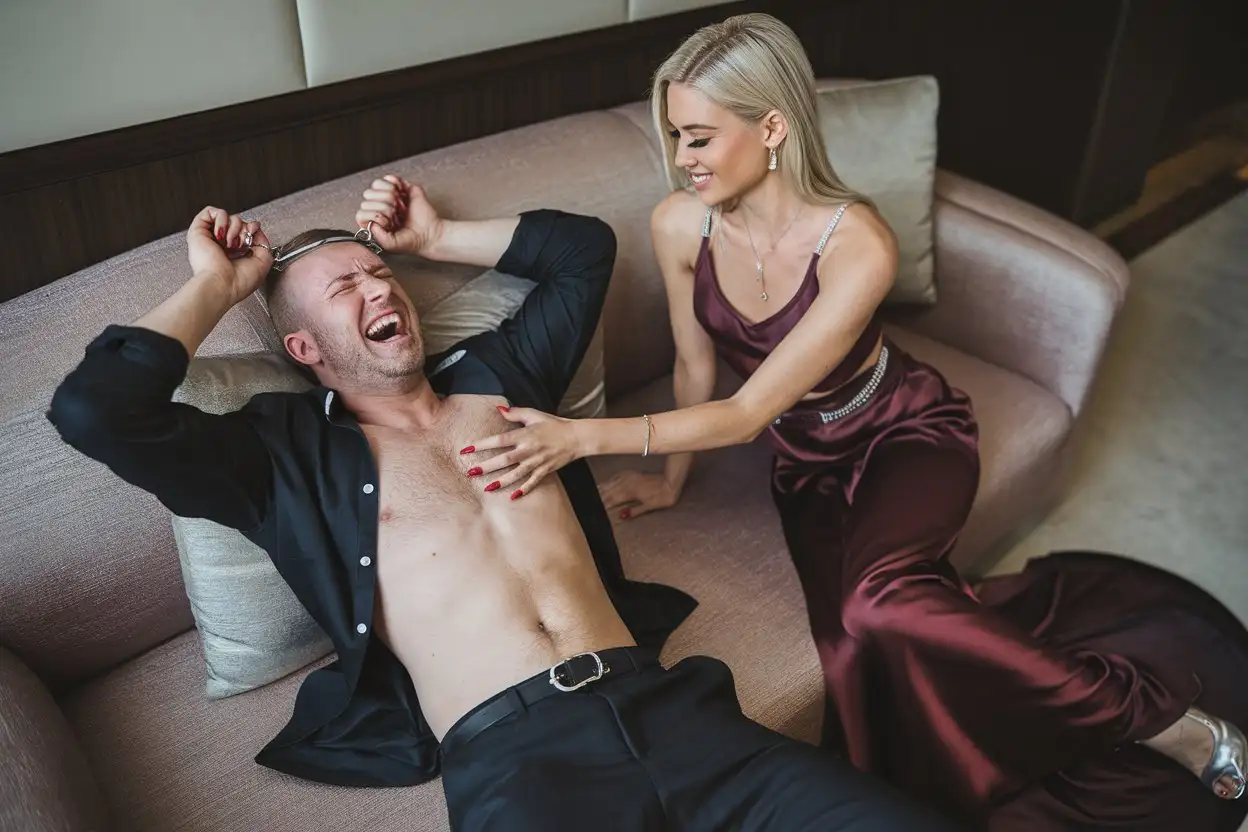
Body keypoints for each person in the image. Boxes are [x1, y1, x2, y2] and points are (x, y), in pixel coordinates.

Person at [457, 12, 1248, 830]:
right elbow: (697, 369)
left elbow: (748, 408)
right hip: (807, 461)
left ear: (772, 127)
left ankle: (1165, 720)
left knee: (883, 608)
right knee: (851, 651)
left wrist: (580, 435)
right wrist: (666, 481)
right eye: (674, 138)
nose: (682, 161)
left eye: (698, 137)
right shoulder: (677, 223)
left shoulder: (857, 242)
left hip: (904, 433)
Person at [47, 181, 964, 831]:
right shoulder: (279, 456)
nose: (381, 290)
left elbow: (581, 253)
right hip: (523, 765)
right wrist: (217, 285)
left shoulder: (496, 380)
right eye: (347, 288)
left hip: (675, 712)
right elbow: (95, 411)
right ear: (303, 345)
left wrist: (434, 237)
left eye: (381, 275)